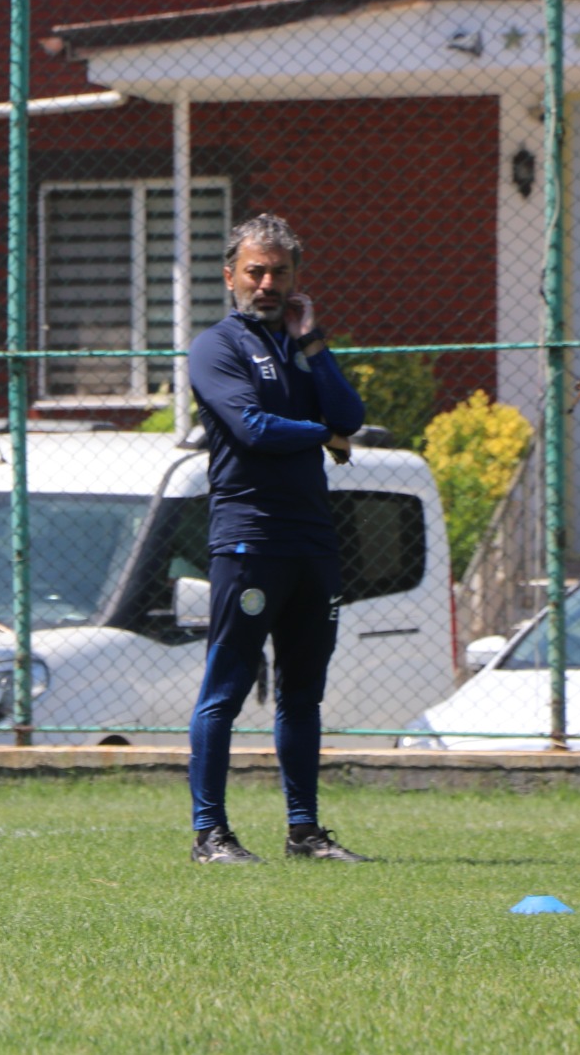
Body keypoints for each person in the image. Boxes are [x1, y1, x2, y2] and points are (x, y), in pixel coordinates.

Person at [184, 213, 369, 865]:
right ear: (230, 274)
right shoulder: (217, 347)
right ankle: (210, 836)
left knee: (302, 691)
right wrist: (322, 435)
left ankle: (304, 833)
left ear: (295, 279)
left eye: (279, 273)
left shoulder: (299, 345)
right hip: (250, 540)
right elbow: (256, 429)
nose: (266, 283)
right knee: (227, 688)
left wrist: (314, 344)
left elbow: (350, 416)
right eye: (255, 271)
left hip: (312, 542)